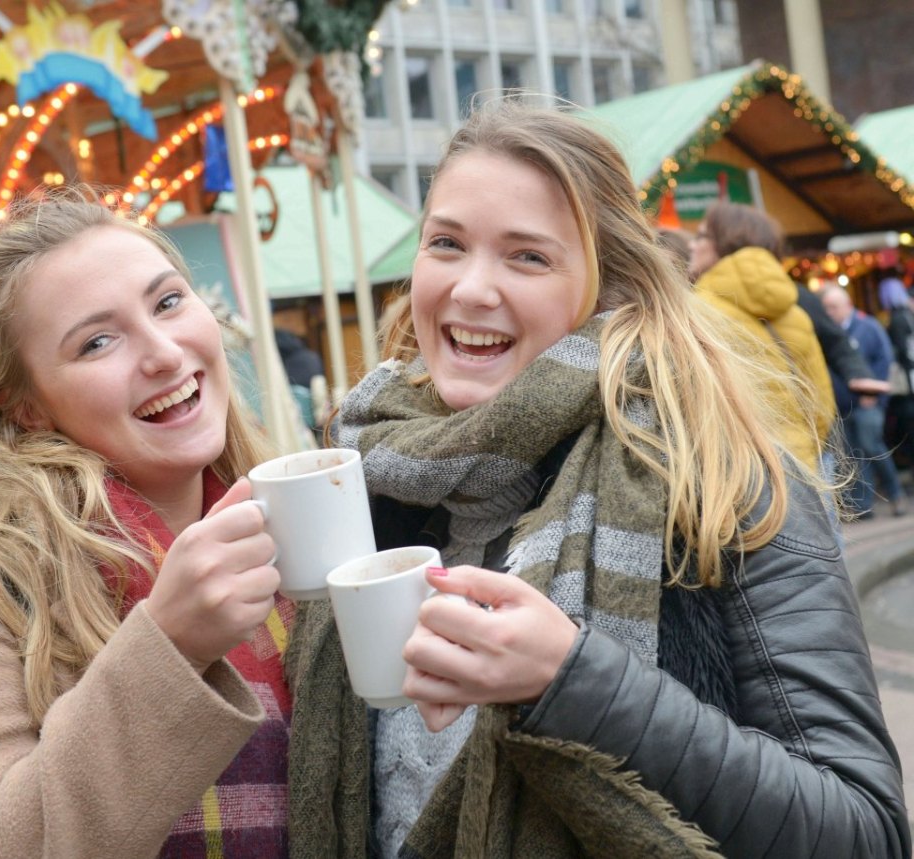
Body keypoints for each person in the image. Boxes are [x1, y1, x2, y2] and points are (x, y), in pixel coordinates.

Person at [286, 99, 909, 858]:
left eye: (528, 256)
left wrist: (571, 678)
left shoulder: (718, 481)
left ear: (611, 286)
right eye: (446, 243)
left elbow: (863, 829)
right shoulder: (371, 483)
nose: (472, 288)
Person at [0, 187, 292, 857]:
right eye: (97, 341)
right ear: (26, 408)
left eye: (168, 301)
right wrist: (169, 647)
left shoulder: (297, 534)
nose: (165, 352)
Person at [685, 201, 834, 473]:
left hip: (738, 473)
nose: (692, 245)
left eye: (701, 236)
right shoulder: (794, 313)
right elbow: (821, 402)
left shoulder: (692, 313)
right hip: (802, 465)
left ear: (725, 241)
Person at [821, 283, 908, 517]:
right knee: (852, 454)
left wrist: (874, 391)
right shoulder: (827, 333)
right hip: (841, 405)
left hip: (868, 403)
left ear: (848, 305)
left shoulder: (867, 327)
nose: (830, 312)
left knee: (872, 447)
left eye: (834, 307)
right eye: (826, 307)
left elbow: (885, 359)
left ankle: (896, 493)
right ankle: (863, 505)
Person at [879, 274, 914, 470]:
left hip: (906, 378)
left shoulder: (898, 318)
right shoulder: (907, 314)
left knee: (906, 420)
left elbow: (898, 350)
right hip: (911, 374)